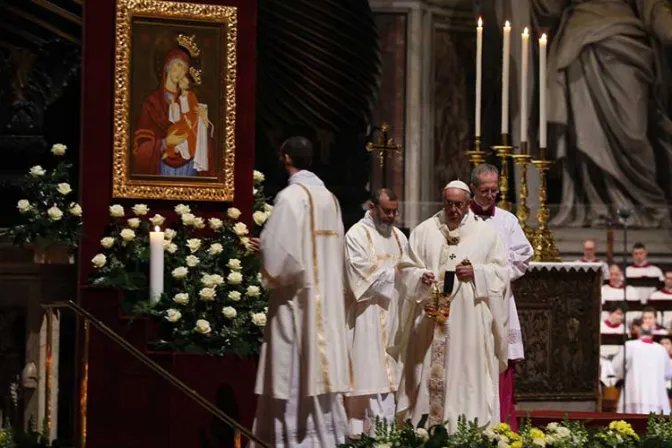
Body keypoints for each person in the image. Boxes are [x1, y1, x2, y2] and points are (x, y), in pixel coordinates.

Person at [251, 136, 350, 447]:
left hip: (297, 302)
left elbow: (281, 260)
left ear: (285, 158)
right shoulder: (330, 199)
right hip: (327, 303)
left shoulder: (290, 197)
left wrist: (261, 249)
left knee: (293, 372)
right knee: (318, 373)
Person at [394, 180, 510, 433]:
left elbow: (502, 272)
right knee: (427, 371)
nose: (453, 210)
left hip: (468, 320)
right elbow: (405, 269)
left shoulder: (486, 235)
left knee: (466, 371)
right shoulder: (425, 231)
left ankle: (465, 428)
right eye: (448, 204)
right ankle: (425, 427)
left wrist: (476, 271)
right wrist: (420, 277)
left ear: (469, 204)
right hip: (431, 318)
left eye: (458, 204)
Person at [469, 164, 533, 431]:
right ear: (473, 188)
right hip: (469, 300)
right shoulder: (462, 218)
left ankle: (502, 427)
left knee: (501, 361)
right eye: (485, 190)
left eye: (495, 190)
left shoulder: (507, 220)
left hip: (500, 301)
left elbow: (524, 256)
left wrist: (498, 277)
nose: (490, 195)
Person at [343, 188, 408, 436]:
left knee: (393, 383)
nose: (391, 217)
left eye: (394, 211)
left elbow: (411, 271)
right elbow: (358, 278)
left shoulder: (401, 238)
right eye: (386, 211)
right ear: (372, 207)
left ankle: (388, 437)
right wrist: (397, 274)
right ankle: (366, 437)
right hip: (366, 319)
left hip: (395, 318)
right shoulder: (356, 235)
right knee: (369, 382)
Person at [132, 34, 214, 177]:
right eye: (178, 65)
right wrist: (165, 142)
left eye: (184, 68)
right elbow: (140, 149)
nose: (180, 71)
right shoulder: (152, 103)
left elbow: (198, 131)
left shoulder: (189, 98)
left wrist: (204, 123)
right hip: (162, 166)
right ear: (168, 66)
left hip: (189, 163)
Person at [611, 327, 672, 414]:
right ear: (652, 335)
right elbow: (668, 374)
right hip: (655, 398)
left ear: (638, 333)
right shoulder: (661, 349)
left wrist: (622, 374)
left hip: (634, 394)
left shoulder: (629, 345)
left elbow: (616, 366)